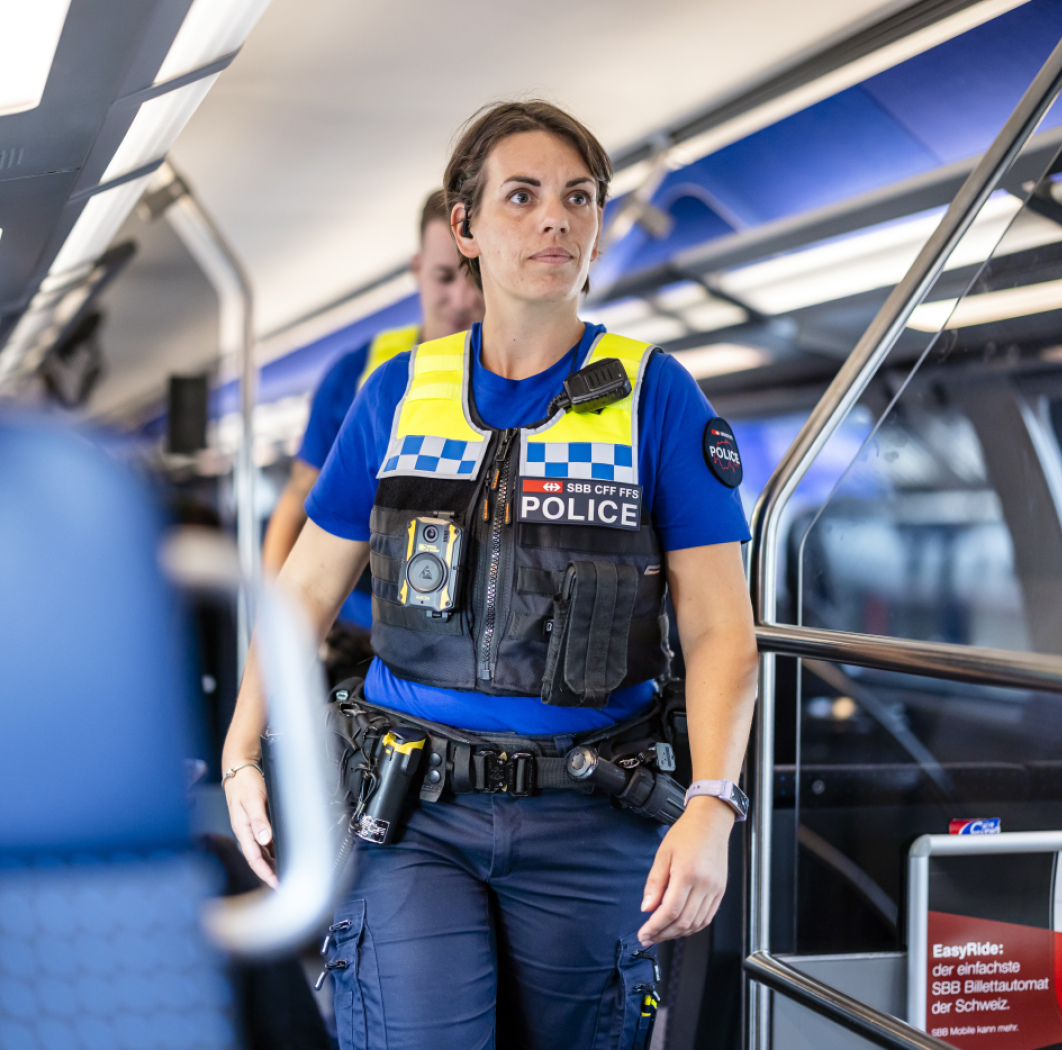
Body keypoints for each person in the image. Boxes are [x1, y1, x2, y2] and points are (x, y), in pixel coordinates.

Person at [223, 100, 758, 1049]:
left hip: (593, 810)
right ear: (465, 227)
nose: (555, 218)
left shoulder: (656, 397)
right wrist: (242, 747)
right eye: (522, 196)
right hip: (414, 809)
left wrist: (714, 804)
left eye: (579, 198)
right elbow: (302, 586)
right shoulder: (396, 393)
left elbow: (719, 625)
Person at [261, 190, 485, 589]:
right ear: (417, 269)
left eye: (475, 276)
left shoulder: (522, 380)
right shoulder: (358, 374)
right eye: (444, 276)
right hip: (353, 620)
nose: (462, 298)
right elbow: (299, 501)